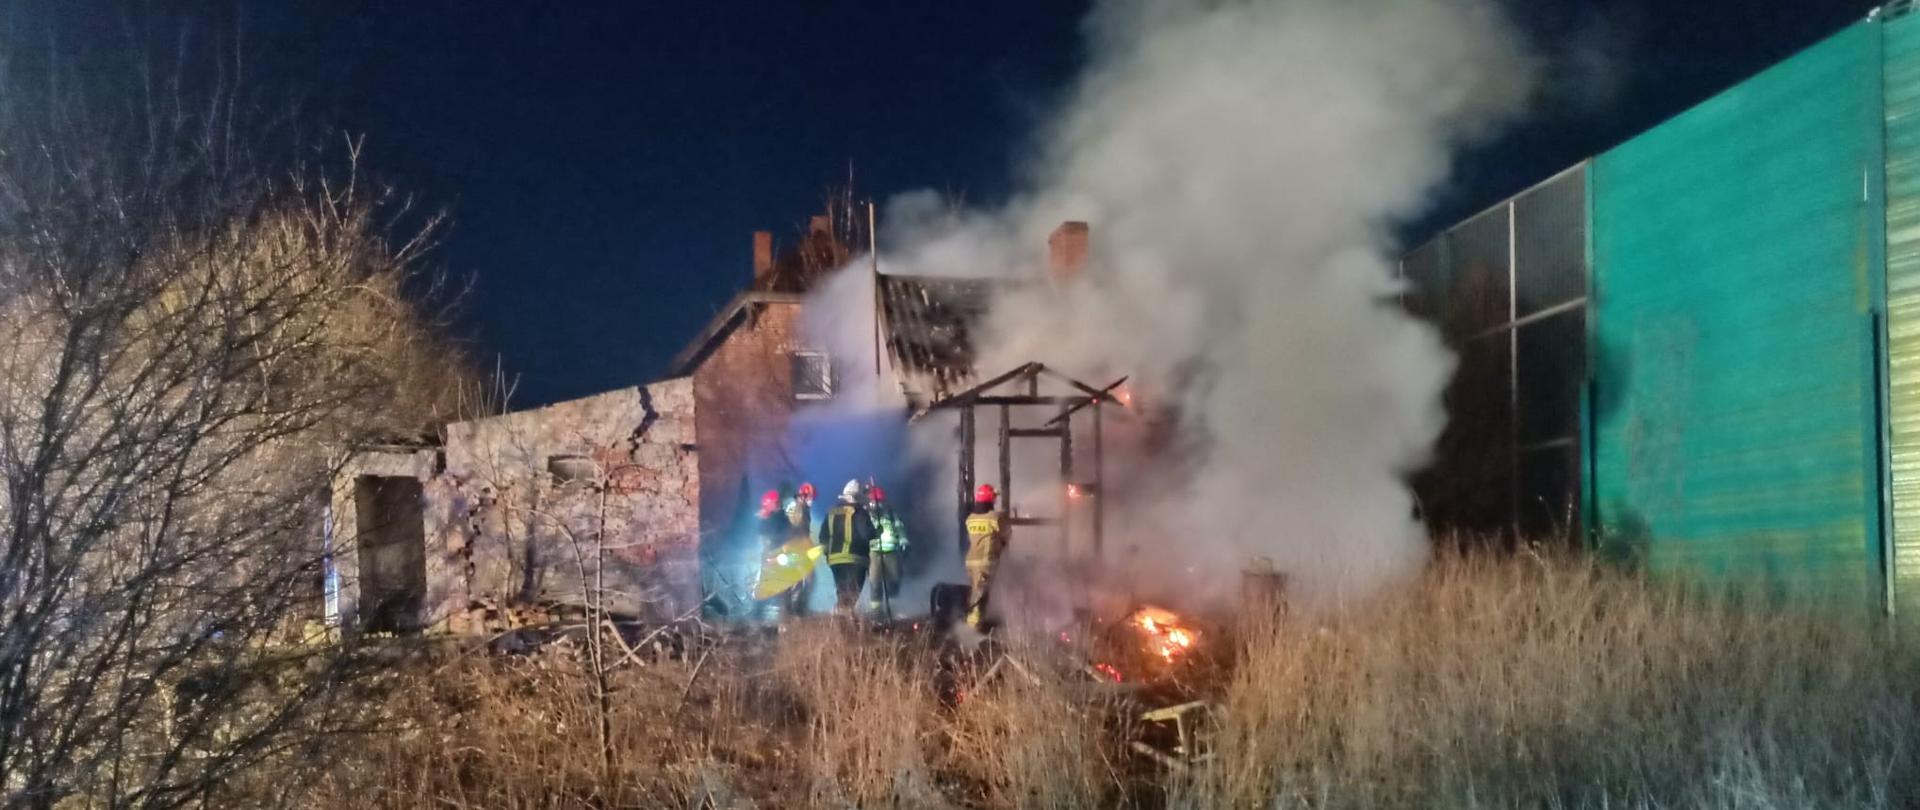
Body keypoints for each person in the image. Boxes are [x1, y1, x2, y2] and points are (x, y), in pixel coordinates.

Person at [819, 479, 875, 615]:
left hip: (835, 561)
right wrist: (876, 531)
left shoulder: (831, 513)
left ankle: (838, 619)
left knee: (842, 591)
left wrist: (827, 555)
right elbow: (866, 534)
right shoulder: (860, 513)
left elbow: (823, 536)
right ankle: (843, 621)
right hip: (856, 559)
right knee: (852, 593)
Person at [965, 483, 1007, 628]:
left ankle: (975, 622)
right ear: (990, 500)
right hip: (985, 561)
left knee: (976, 593)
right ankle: (972, 631)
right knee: (980, 598)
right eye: (994, 498)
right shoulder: (995, 517)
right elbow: (1005, 535)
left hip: (971, 561)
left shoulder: (970, 518)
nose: (995, 501)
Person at [865, 482, 909, 620]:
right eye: (873, 501)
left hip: (892, 552)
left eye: (879, 501)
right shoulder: (866, 515)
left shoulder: (890, 513)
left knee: (894, 580)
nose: (876, 504)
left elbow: (899, 527)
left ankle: (893, 610)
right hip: (874, 552)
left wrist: (903, 540)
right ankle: (876, 612)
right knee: (875, 581)